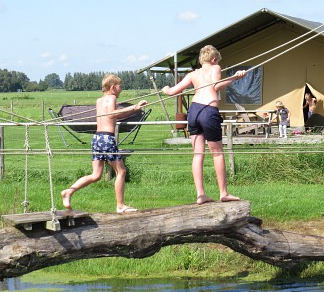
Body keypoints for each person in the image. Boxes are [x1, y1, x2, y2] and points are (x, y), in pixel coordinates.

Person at [161, 45, 246, 204]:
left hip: (193, 112)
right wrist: (235, 77)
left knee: (198, 154)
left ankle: (201, 195)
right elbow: (215, 85)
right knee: (218, 153)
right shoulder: (216, 67)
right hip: (208, 111)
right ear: (214, 59)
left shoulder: (193, 74)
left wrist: (165, 89)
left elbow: (172, 91)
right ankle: (223, 193)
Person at [61, 74, 148, 213]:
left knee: (96, 175)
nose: (121, 89)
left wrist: (133, 110)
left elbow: (113, 114)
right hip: (107, 139)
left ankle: (69, 192)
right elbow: (112, 114)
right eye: (120, 86)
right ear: (113, 87)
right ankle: (120, 205)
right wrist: (134, 108)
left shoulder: (99, 100)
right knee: (121, 171)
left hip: (97, 138)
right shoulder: (112, 98)